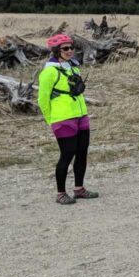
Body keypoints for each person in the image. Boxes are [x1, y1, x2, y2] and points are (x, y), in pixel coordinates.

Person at [37, 34, 98, 205]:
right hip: (63, 118)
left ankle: (79, 189)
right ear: (57, 51)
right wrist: (51, 120)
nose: (70, 51)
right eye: (65, 48)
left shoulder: (73, 68)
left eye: (71, 47)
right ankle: (61, 193)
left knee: (82, 153)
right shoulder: (49, 72)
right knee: (67, 154)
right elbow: (42, 100)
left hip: (81, 116)